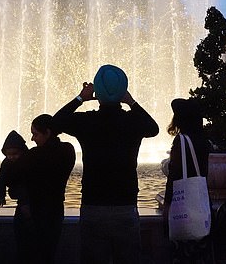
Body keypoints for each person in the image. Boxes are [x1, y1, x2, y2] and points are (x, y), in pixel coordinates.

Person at [51, 64, 159, 264]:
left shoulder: (87, 121)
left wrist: (81, 97)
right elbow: (154, 128)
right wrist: (131, 102)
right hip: (125, 205)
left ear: (97, 93)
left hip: (93, 205)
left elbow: (55, 124)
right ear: (122, 92)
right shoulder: (132, 122)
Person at [18, 114, 76, 263]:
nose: (32, 139)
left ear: (48, 132)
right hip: (55, 211)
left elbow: (16, 179)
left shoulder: (32, 156)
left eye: (35, 134)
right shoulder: (68, 151)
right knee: (48, 253)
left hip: (33, 213)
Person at [164, 98, 212, 263]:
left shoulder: (182, 140)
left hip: (185, 203)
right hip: (201, 199)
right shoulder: (203, 139)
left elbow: (175, 174)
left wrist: (168, 203)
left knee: (184, 251)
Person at [0, 129, 30, 261]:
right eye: (8, 154)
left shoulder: (28, 161)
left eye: (15, 154)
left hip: (26, 199)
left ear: (22, 151)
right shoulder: (6, 163)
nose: (11, 157)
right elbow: (1, 179)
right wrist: (1, 195)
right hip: (20, 197)